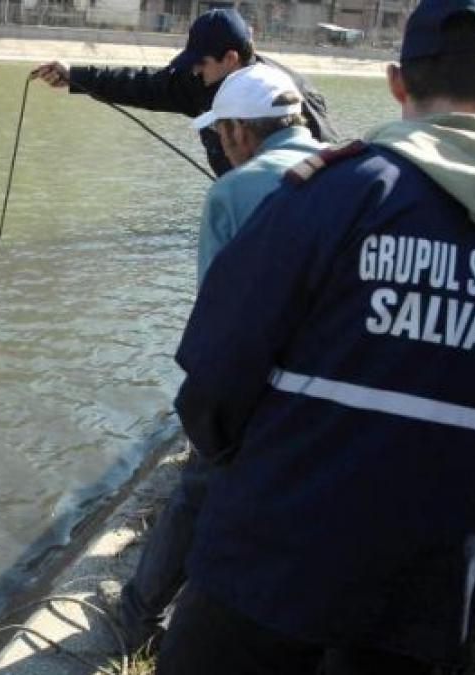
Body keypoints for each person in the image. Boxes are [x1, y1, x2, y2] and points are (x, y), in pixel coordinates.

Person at [161, 0, 475, 671]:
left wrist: (233, 464)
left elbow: (213, 375)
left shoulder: (326, 195)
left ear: (396, 82)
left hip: (263, 564)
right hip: (428, 600)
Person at [113, 63, 328, 653]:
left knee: (197, 489)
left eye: (220, 133)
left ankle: (138, 615)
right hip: (333, 389)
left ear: (238, 131)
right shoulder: (351, 171)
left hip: (258, 386)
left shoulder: (233, 191)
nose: (220, 145)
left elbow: (218, 314)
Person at [29, 9, 339, 176]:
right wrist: (75, 77)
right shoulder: (199, 83)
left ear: (230, 58)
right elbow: (140, 84)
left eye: (201, 63)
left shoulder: (294, 96)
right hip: (237, 202)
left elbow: (331, 166)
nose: (194, 71)